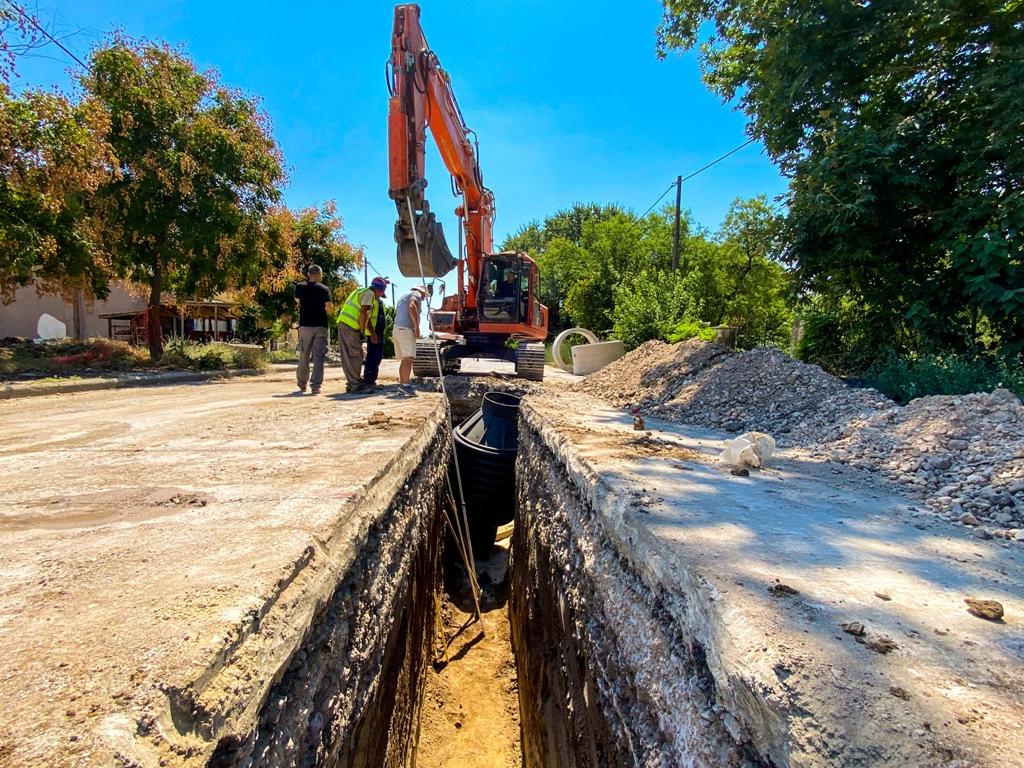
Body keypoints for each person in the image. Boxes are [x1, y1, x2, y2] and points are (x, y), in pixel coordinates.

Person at [336, 277, 388, 394]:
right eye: (380, 293)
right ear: (378, 290)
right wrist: (362, 331)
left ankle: (352, 383)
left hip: (343, 323)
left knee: (348, 357)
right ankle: (356, 385)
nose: (379, 297)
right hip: (351, 326)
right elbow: (364, 311)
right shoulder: (369, 294)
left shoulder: (359, 291)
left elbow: (366, 315)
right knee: (356, 356)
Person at [294, 264, 334, 394]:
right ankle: (315, 386)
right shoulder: (324, 289)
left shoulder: (299, 287)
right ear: (319, 275)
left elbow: (297, 300)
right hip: (320, 326)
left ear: (308, 274)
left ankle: (301, 384)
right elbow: (329, 308)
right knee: (318, 358)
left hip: (305, 326)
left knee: (304, 356)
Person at [393, 284, 428, 397]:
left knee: (406, 359)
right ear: (422, 291)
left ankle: (404, 385)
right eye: (425, 295)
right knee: (408, 358)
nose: (424, 298)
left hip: (398, 329)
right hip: (405, 329)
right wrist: (416, 327)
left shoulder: (404, 296)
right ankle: (405, 386)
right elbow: (412, 307)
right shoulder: (416, 294)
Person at [362, 277, 391, 392]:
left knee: (377, 357)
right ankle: (368, 382)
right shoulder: (371, 300)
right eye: (380, 291)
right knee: (372, 357)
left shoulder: (379, 302)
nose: (381, 294)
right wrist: (372, 334)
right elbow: (367, 317)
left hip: (379, 333)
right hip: (373, 333)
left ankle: (372, 380)